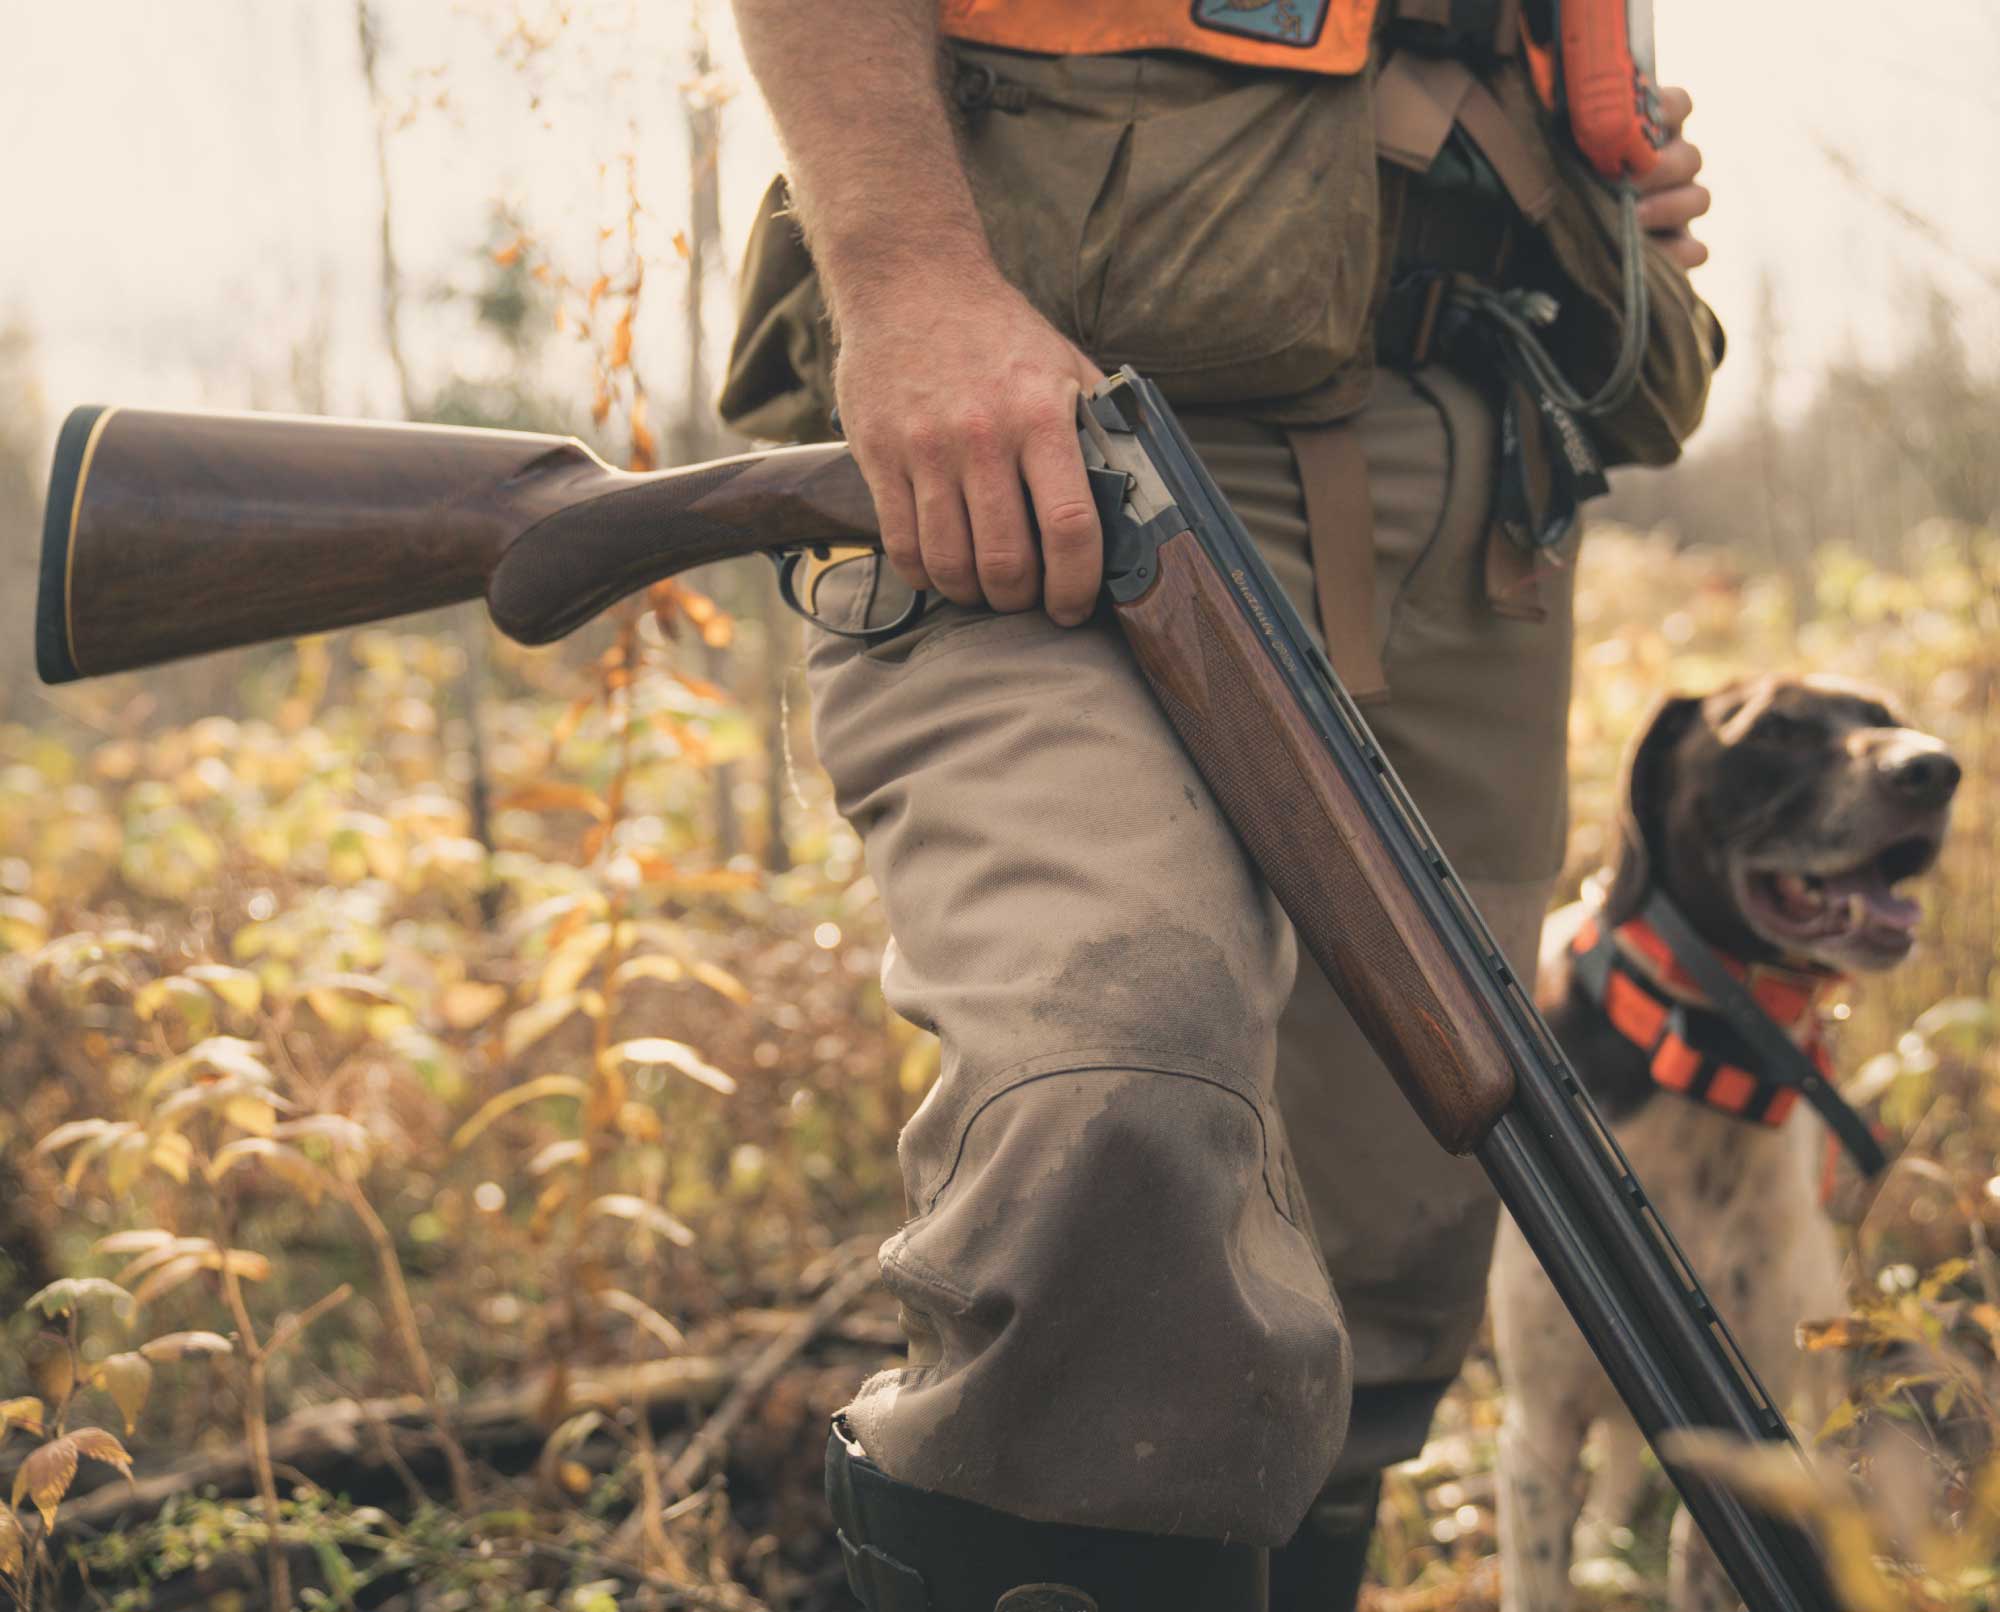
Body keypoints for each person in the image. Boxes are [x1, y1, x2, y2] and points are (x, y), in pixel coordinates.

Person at [721, 3, 1720, 1607]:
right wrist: (906, 281)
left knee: (1386, 1238)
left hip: (1473, 440)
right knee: (1113, 1080)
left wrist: (1581, 142)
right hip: (1037, 434)